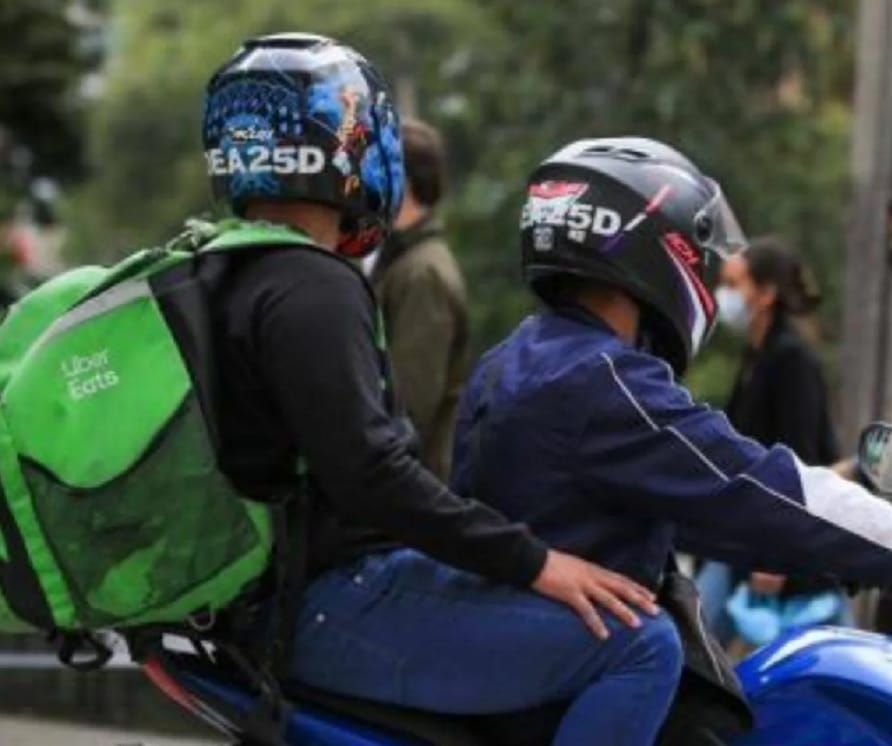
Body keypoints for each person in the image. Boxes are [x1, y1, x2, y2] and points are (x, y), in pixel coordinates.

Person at [198, 34, 663, 746]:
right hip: (332, 600)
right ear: (351, 146)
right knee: (640, 643)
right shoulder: (315, 285)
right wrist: (536, 562)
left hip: (275, 594)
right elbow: (375, 476)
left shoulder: (218, 269)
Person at [442, 138, 892, 743]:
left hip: (521, 663)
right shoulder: (604, 381)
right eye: (700, 251)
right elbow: (757, 487)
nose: (708, 272)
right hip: (572, 679)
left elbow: (690, 504)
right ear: (659, 248)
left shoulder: (515, 356)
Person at [697, 237, 848, 646]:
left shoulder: (791, 359)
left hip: (778, 549)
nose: (723, 295)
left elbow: (799, 462)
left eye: (733, 284)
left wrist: (779, 554)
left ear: (764, 294)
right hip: (745, 538)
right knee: (696, 646)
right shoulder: (757, 356)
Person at [369, 118, 468, 480]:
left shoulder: (422, 274)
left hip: (409, 488)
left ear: (402, 182)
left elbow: (409, 405)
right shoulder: (399, 261)